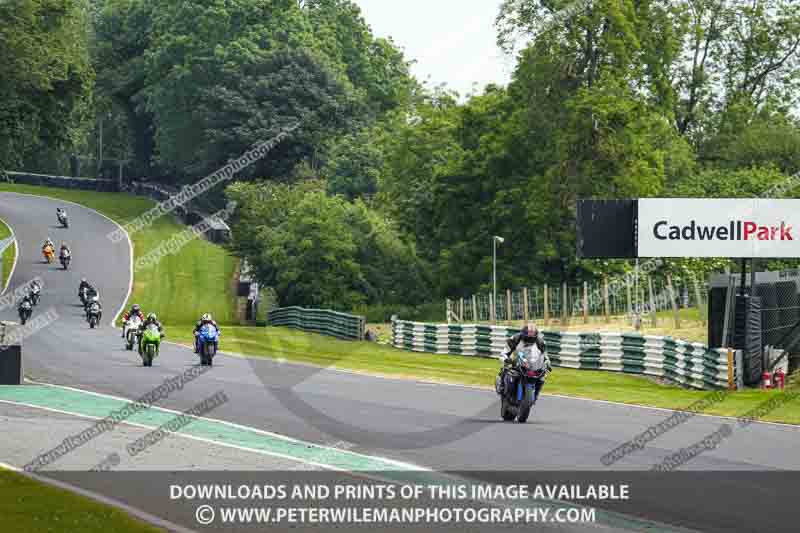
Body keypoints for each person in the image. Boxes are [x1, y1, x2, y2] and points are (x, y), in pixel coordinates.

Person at [496, 323, 552, 402]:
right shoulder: (515, 338)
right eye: (528, 337)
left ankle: (535, 396)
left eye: (532, 337)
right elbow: (505, 352)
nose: (529, 339)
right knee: (507, 370)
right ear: (523, 334)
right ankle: (501, 386)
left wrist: (547, 363)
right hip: (516, 361)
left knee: (541, 378)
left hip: (532, 365)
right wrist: (506, 359)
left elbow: (545, 356)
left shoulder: (540, 342)